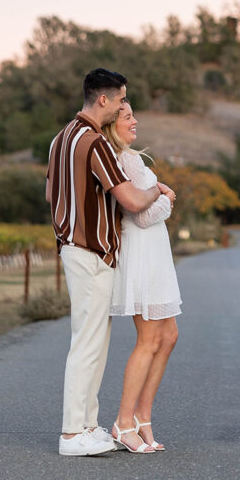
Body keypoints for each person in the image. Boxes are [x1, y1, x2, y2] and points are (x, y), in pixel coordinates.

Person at [46, 68, 175, 457]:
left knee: (93, 340)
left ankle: (88, 425)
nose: (124, 107)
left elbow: (51, 192)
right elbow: (134, 203)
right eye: (121, 100)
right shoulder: (95, 143)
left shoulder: (60, 139)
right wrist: (160, 189)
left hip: (72, 244)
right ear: (103, 100)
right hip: (91, 250)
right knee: (88, 342)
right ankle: (72, 434)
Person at [104, 103, 181, 454]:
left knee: (169, 335)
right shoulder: (125, 160)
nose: (135, 121)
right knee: (150, 337)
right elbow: (144, 215)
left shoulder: (131, 158)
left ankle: (143, 418)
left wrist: (159, 196)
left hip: (155, 254)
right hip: (143, 254)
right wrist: (164, 196)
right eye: (127, 117)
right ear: (113, 124)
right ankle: (123, 422)